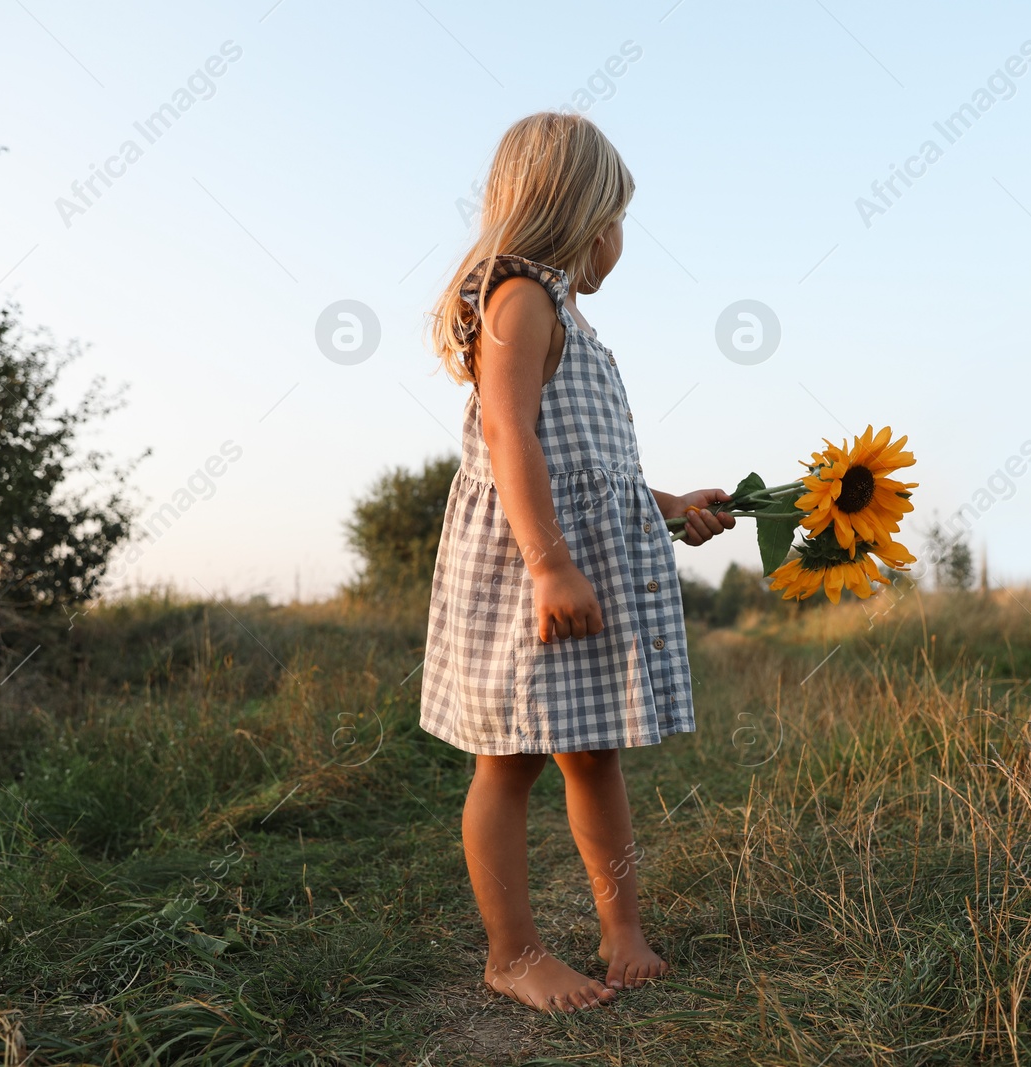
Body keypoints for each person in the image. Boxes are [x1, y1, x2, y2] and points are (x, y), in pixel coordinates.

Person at [421, 111, 734, 1013]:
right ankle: (512, 953)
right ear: (584, 214)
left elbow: (589, 461)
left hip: (570, 562)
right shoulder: (518, 297)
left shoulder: (566, 316)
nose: (620, 240)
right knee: (507, 761)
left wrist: (668, 507)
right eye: (618, 217)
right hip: (529, 575)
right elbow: (507, 434)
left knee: (592, 755)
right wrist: (552, 565)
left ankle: (620, 927)